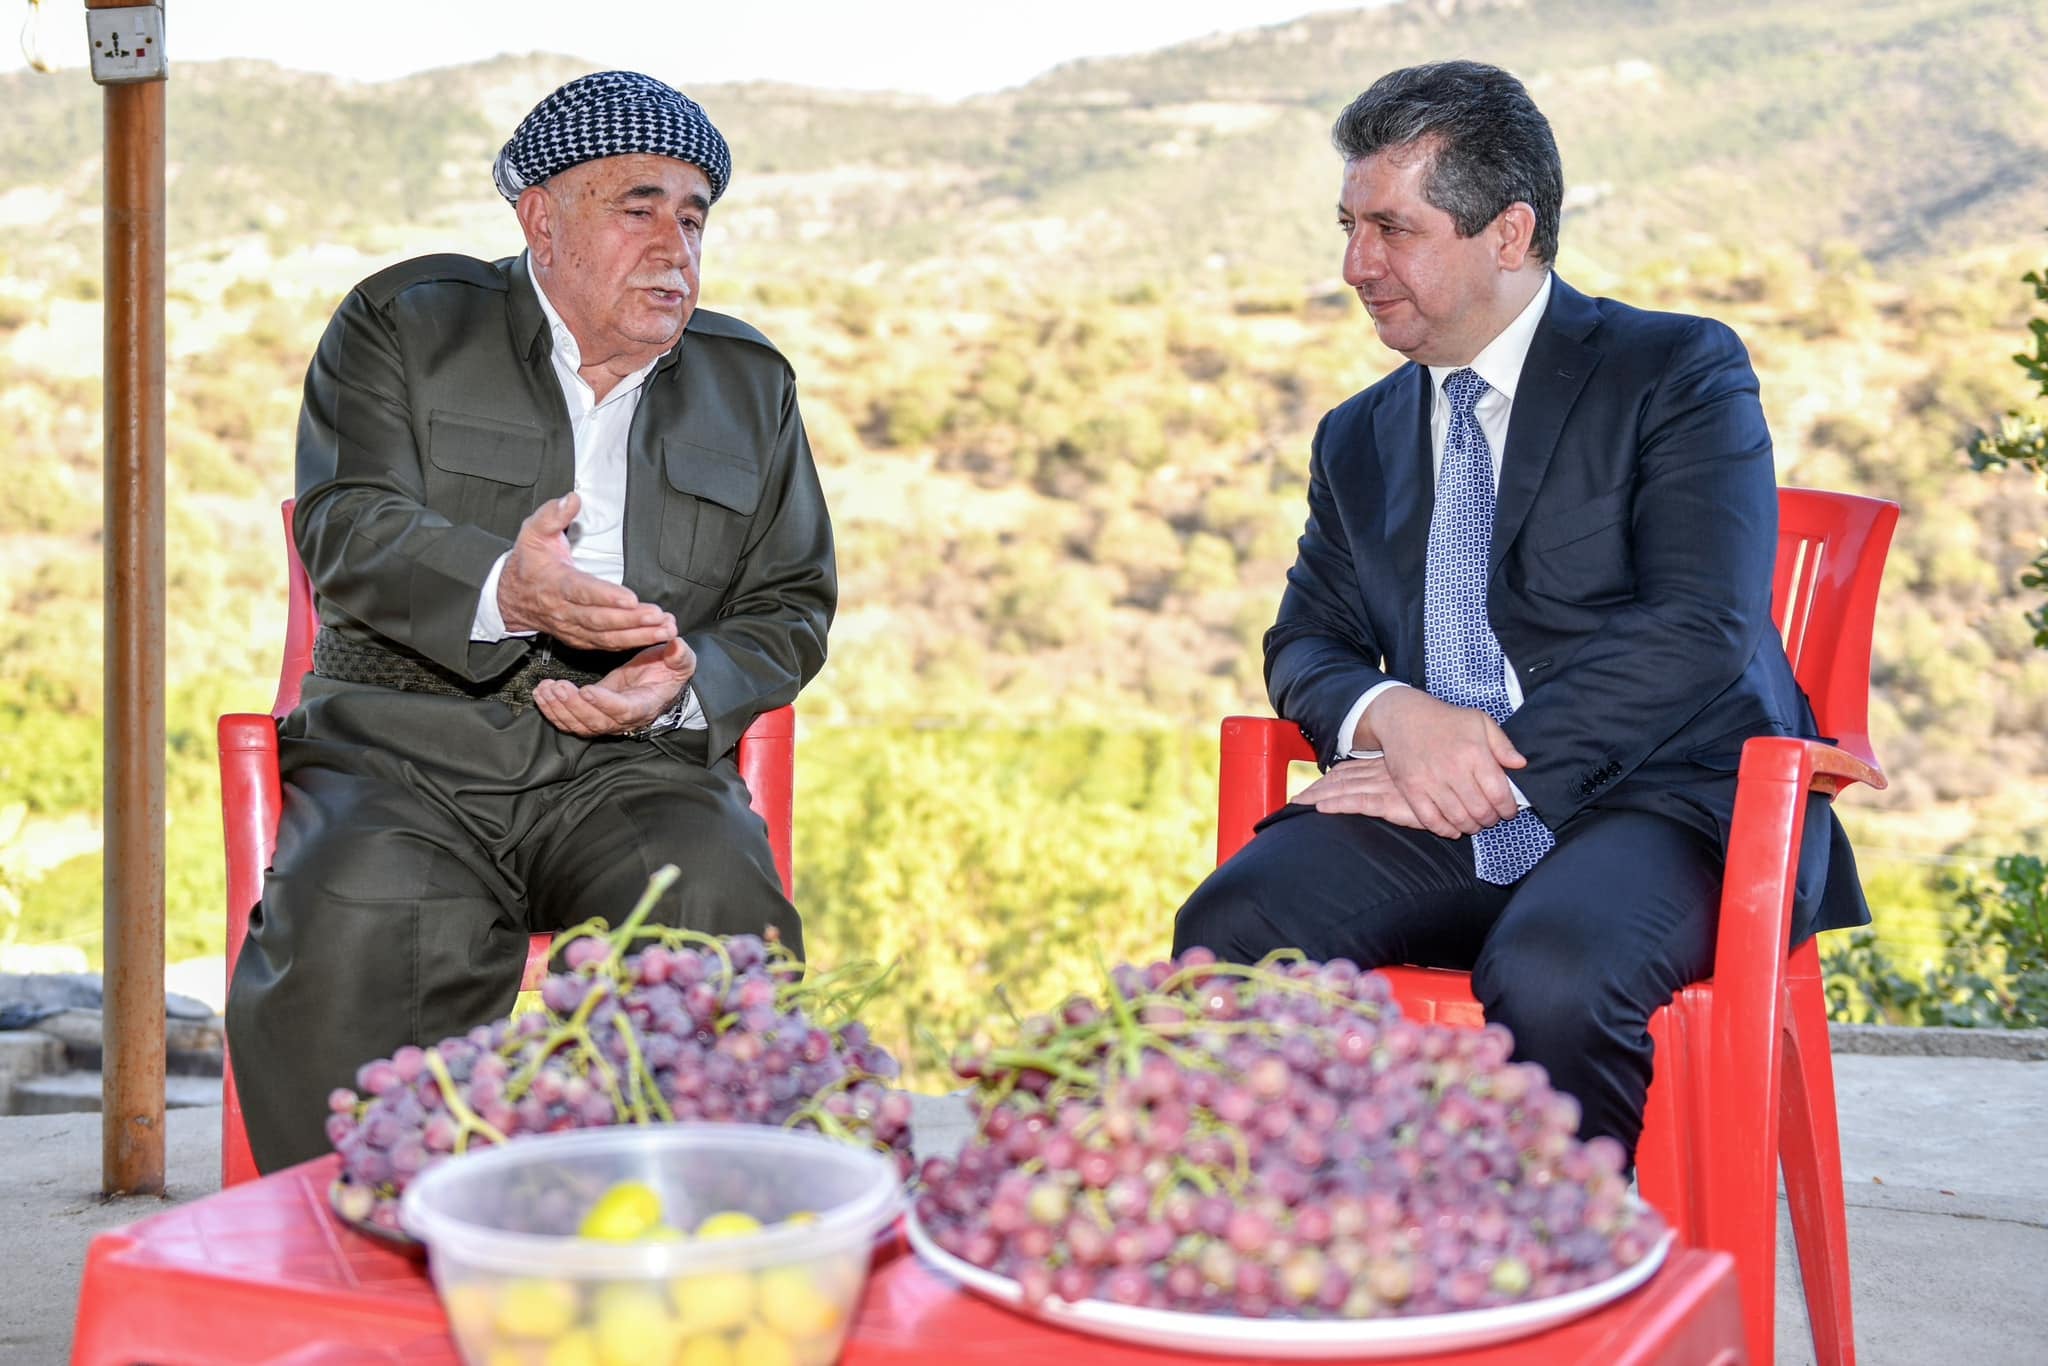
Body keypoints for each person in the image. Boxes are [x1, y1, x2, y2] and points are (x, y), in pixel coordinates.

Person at [1172, 60, 1866, 1162]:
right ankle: (1340, 1241)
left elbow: (1698, 627)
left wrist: (1474, 761)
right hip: (1435, 804)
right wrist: (1397, 720)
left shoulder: (1674, 371)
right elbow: (1305, 642)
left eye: (1391, 229)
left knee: (1550, 971)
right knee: (1233, 934)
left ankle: (1561, 1278)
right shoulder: (1355, 436)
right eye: (1348, 226)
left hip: (1667, 805)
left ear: (1506, 232)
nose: (1356, 265)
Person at [226, 71, 835, 1172]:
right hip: (404, 753)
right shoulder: (406, 325)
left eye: (693, 216)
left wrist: (686, 682)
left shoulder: (748, 383)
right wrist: (505, 587)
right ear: (540, 216)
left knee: (713, 905)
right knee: (363, 920)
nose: (675, 244)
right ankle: (362, 1261)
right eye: (637, 205)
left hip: (632, 764)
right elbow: (348, 526)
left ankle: (691, 1246)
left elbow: (790, 603)